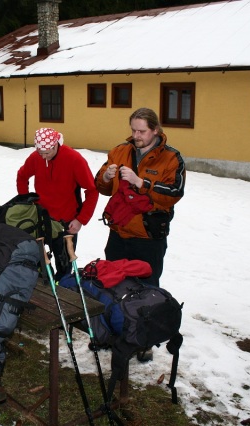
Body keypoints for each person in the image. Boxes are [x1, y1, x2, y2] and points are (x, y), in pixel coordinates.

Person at [95, 108, 185, 361]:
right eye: (133, 129)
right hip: (119, 233)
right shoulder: (120, 151)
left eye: (142, 131)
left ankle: (144, 339)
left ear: (156, 130)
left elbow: (174, 193)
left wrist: (141, 183)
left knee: (147, 290)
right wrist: (106, 176)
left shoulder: (171, 158)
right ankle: (114, 332)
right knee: (113, 285)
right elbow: (100, 185)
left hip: (148, 237)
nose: (136, 135)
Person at [16, 127, 99, 279]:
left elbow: (92, 190)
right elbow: (22, 176)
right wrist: (26, 203)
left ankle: (63, 292)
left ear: (56, 145)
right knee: (38, 263)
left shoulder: (74, 159)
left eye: (47, 153)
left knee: (65, 266)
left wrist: (81, 219)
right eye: (41, 153)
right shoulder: (36, 157)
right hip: (40, 219)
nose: (44, 157)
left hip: (66, 223)